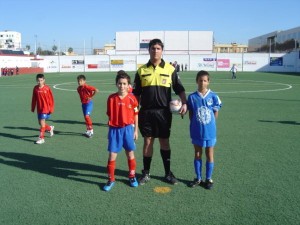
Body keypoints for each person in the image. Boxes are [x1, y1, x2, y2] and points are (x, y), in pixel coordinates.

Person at [133, 38, 187, 185]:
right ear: (149, 50)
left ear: (162, 50)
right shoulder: (141, 70)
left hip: (164, 113)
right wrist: (133, 109)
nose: (155, 51)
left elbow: (179, 88)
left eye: (158, 48)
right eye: (153, 48)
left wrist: (185, 103)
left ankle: (168, 173)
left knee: (164, 141)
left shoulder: (170, 69)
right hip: (147, 112)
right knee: (148, 141)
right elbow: (135, 93)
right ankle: (146, 173)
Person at [103, 70, 139, 191]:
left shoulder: (132, 98)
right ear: (116, 84)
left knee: (130, 153)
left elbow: (136, 115)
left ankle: (132, 176)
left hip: (128, 129)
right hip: (114, 130)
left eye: (124, 83)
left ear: (128, 85)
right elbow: (110, 115)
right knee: (112, 155)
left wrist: (136, 131)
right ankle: (111, 179)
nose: (122, 86)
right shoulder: (111, 98)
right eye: (120, 83)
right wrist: (110, 132)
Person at [187, 70, 222, 189]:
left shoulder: (214, 96)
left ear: (208, 82)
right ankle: (198, 178)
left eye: (205, 80)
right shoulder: (192, 97)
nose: (202, 83)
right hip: (196, 131)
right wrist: (195, 124)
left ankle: (208, 178)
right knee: (197, 153)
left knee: (209, 153)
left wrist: (209, 124)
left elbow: (215, 113)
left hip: (210, 131)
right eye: (200, 80)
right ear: (196, 81)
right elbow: (191, 113)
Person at [31, 74, 55, 144]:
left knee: (42, 123)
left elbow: (51, 99)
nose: (40, 82)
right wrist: (33, 107)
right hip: (39, 108)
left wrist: (51, 108)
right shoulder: (35, 88)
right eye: (38, 81)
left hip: (45, 108)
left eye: (41, 80)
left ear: (44, 80)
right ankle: (50, 128)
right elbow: (34, 99)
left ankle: (41, 138)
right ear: (36, 81)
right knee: (40, 123)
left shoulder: (47, 88)